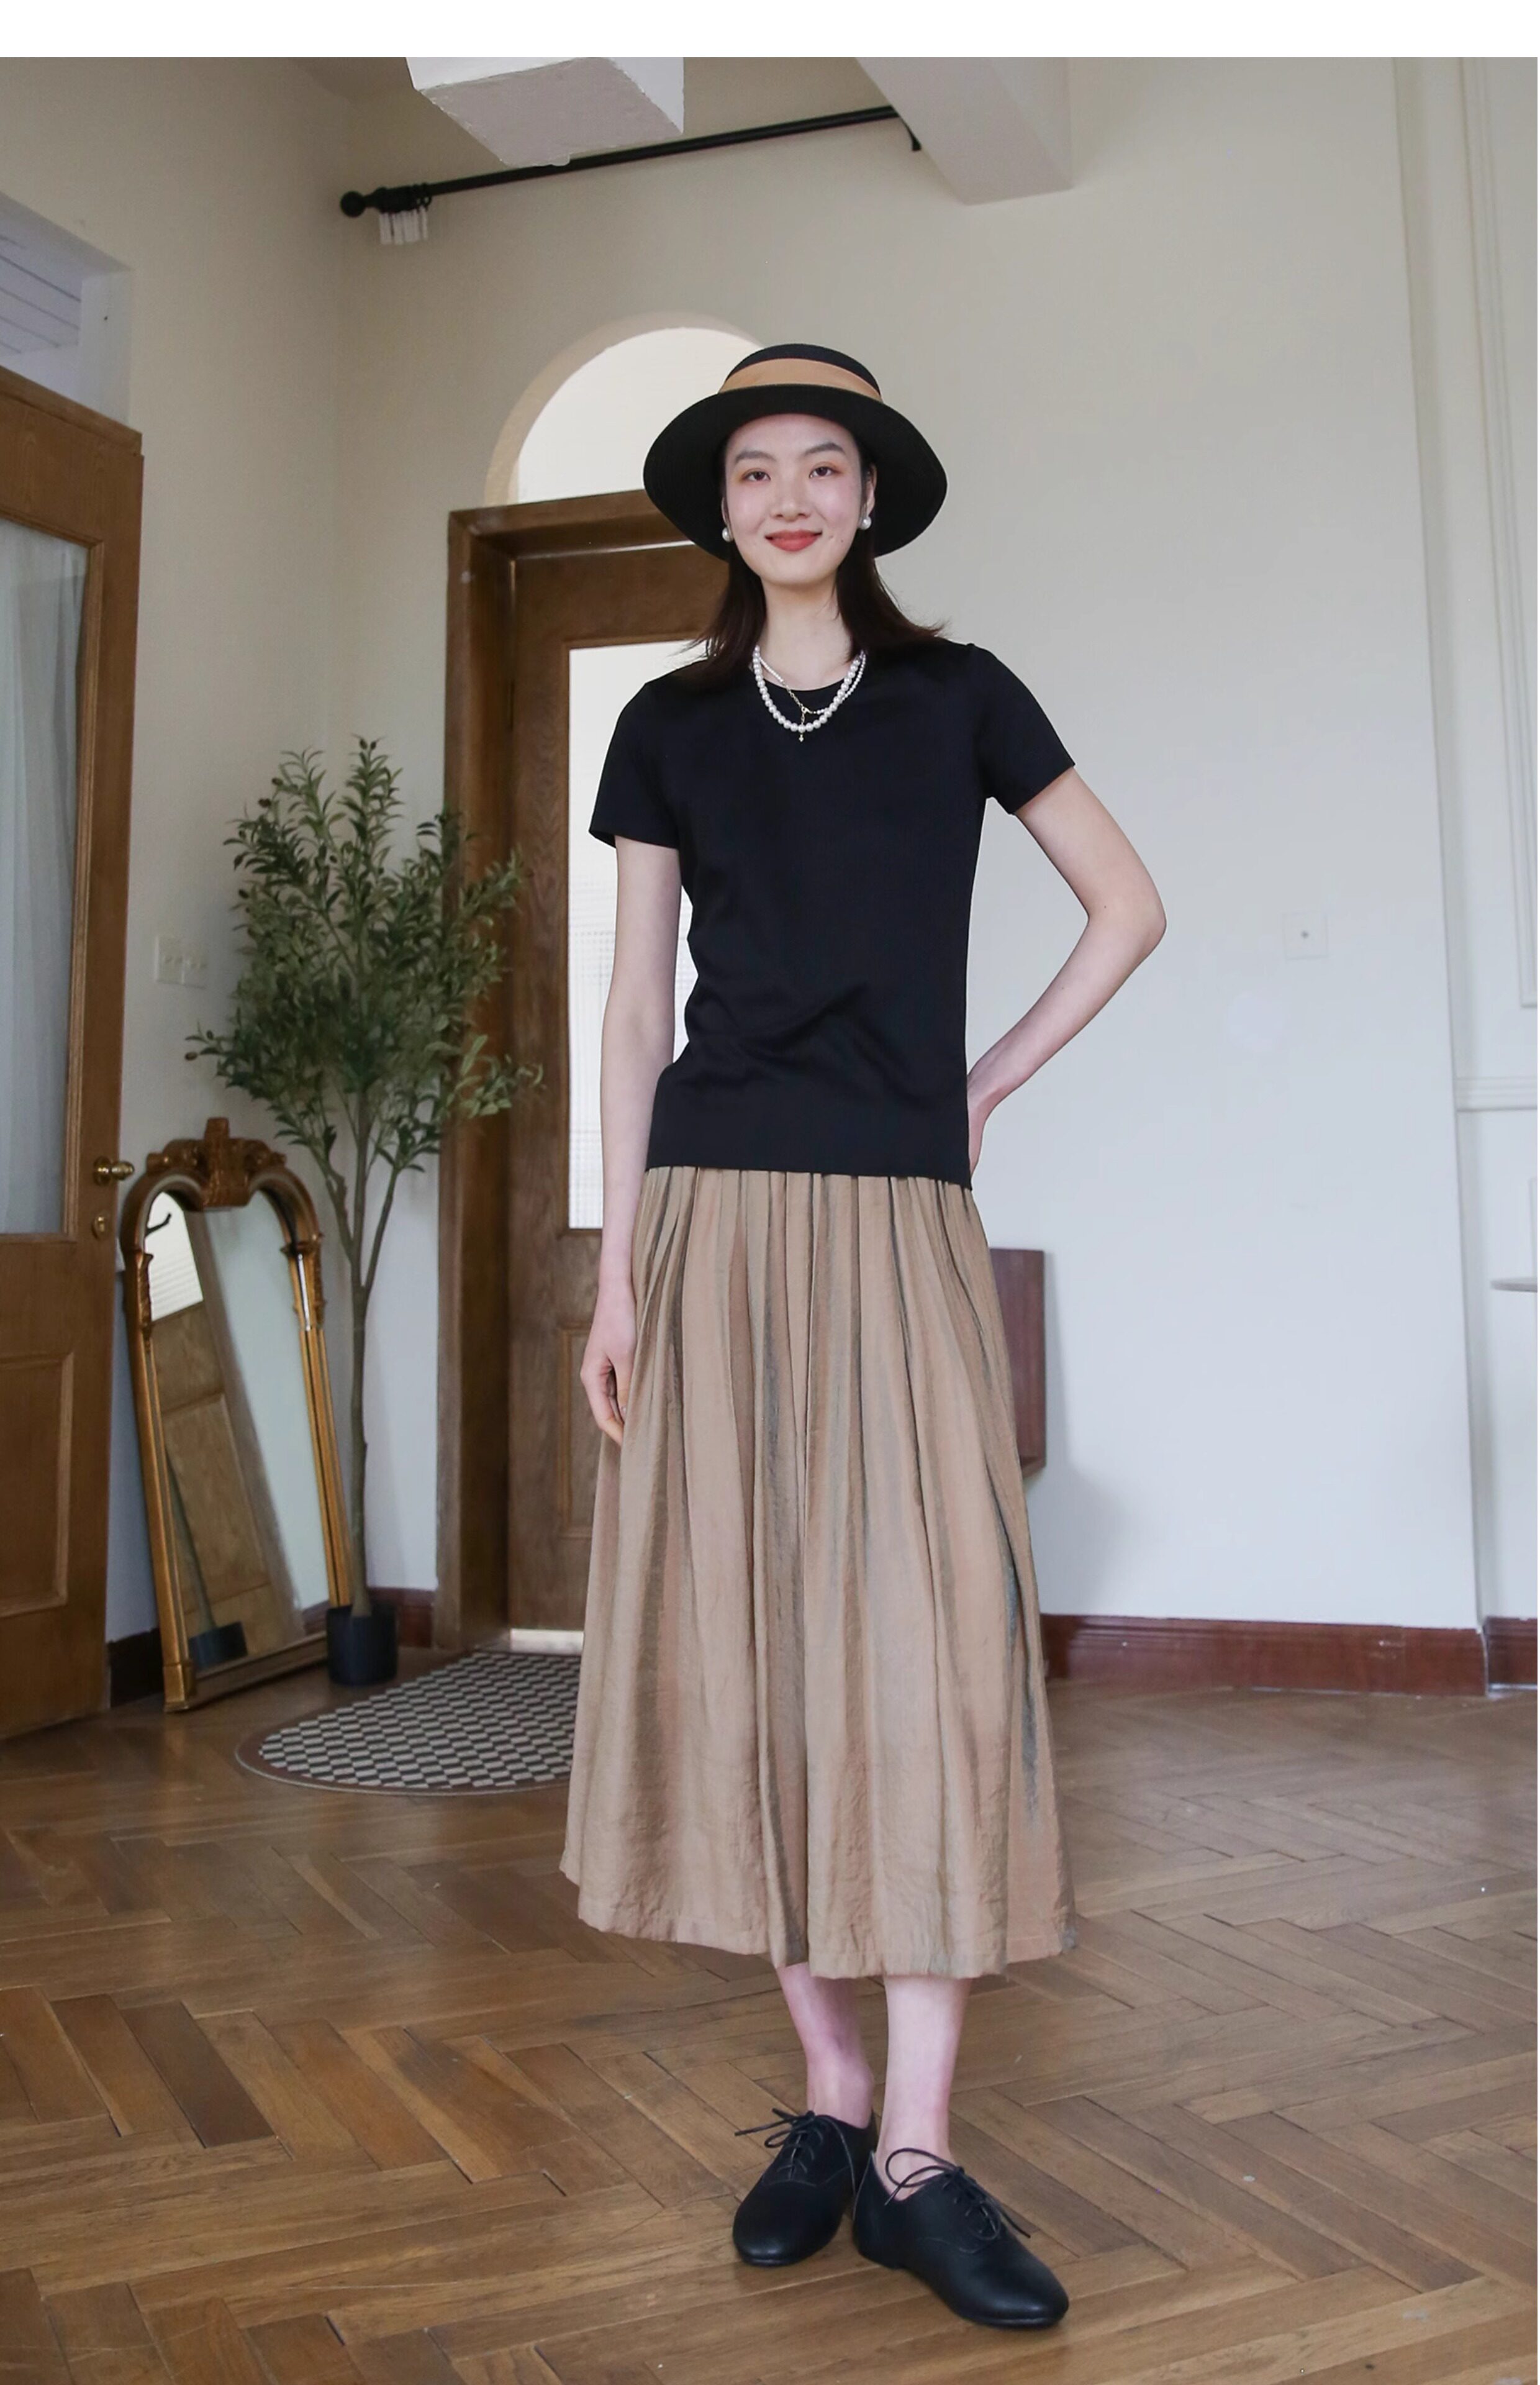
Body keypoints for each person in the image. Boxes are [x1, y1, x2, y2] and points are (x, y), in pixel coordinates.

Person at [561, 342, 1165, 2331]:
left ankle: (917, 2155)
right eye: (758, 469)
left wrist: (981, 1086)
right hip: (712, 1215)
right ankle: (827, 2102)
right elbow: (633, 1008)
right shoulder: (667, 724)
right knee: (749, 1651)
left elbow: (1128, 905)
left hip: (900, 1215)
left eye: (825, 464)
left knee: (929, 1658)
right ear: (722, 507)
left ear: (873, 496)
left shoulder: (959, 695)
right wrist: (620, 1272)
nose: (792, 496)